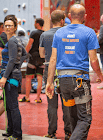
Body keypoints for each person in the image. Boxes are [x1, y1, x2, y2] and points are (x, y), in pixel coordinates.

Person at [46, 4, 103, 140]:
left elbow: (52, 59)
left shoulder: (59, 33)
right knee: (84, 119)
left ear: (69, 16)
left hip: (63, 82)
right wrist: (100, 75)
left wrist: (49, 82)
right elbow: (94, 59)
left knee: (73, 117)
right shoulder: (89, 32)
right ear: (85, 16)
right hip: (79, 81)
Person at [39, 10, 72, 139]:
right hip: (65, 70)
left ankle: (51, 132)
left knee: (51, 104)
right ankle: (68, 132)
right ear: (63, 20)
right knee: (67, 103)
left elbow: (42, 55)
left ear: (51, 20)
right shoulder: (67, 34)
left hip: (49, 69)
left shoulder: (44, 35)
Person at [0, 15, 27, 140]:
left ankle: (17, 134)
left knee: (13, 106)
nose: (8, 27)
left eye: (10, 25)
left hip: (10, 77)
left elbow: (11, 60)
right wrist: (17, 66)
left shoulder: (12, 41)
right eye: (6, 25)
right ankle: (10, 130)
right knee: (9, 105)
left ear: (15, 27)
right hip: (11, 74)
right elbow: (24, 54)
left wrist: (4, 77)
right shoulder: (15, 40)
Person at [20, 18, 45, 103]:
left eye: (35, 23)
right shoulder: (45, 34)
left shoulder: (34, 33)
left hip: (33, 57)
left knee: (28, 77)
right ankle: (38, 98)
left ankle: (27, 97)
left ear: (37, 24)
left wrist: (24, 55)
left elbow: (29, 44)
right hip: (42, 58)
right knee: (40, 78)